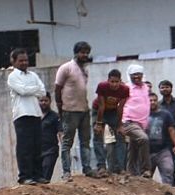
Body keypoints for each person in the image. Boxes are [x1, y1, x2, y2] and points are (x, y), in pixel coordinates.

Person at [54, 41, 93, 179]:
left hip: (84, 110)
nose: (85, 55)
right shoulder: (66, 68)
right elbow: (57, 88)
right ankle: (66, 172)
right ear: (76, 53)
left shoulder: (85, 69)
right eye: (82, 52)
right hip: (69, 111)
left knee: (85, 141)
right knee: (67, 143)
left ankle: (87, 169)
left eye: (87, 52)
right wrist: (60, 107)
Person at [7, 48, 46, 186]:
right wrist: (33, 89)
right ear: (13, 61)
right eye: (21, 60)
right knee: (25, 147)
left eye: (26, 60)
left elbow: (42, 91)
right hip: (22, 114)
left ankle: (38, 175)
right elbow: (22, 91)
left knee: (37, 146)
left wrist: (30, 88)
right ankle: (25, 176)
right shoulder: (12, 76)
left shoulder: (33, 75)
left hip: (35, 113)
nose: (24, 63)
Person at [92, 69, 129, 175]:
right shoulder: (102, 86)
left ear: (120, 81)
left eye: (116, 82)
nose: (114, 84)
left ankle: (122, 168)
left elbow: (120, 108)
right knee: (98, 135)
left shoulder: (124, 89)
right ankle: (101, 166)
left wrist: (119, 125)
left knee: (120, 136)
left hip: (113, 111)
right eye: (112, 82)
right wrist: (98, 124)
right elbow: (101, 106)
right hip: (98, 110)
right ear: (108, 80)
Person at [121, 64, 151, 177]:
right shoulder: (126, 88)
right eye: (134, 75)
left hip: (141, 123)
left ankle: (131, 173)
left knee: (133, 149)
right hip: (129, 121)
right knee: (143, 139)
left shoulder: (145, 88)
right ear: (130, 76)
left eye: (139, 74)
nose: (137, 77)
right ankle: (146, 169)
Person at [147, 93, 175, 187]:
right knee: (145, 177)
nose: (152, 102)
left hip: (163, 150)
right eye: (150, 100)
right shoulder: (142, 114)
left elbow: (172, 130)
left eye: (154, 100)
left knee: (168, 171)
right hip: (147, 151)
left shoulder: (165, 114)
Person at [158, 80, 175, 185]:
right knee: (168, 169)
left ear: (171, 88)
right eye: (162, 87)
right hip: (164, 142)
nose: (165, 89)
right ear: (159, 90)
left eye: (167, 87)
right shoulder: (159, 105)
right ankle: (173, 191)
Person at [40, 93, 62, 183]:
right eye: (41, 100)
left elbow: (61, 132)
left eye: (46, 100)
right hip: (36, 151)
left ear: (50, 101)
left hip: (50, 150)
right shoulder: (34, 116)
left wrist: (64, 145)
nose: (43, 103)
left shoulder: (55, 116)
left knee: (45, 176)